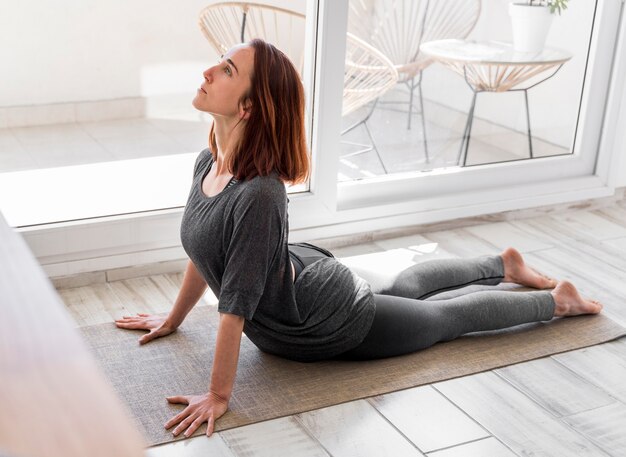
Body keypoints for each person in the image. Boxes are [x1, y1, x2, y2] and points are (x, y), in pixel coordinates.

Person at [115, 38, 603, 439]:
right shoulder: (208, 165)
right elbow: (206, 252)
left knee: (440, 317)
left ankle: (557, 302)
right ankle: (504, 263)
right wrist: (173, 319)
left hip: (327, 318)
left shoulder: (260, 193)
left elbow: (236, 305)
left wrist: (219, 397)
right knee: (403, 291)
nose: (207, 71)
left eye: (225, 69)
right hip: (294, 294)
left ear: (247, 106)